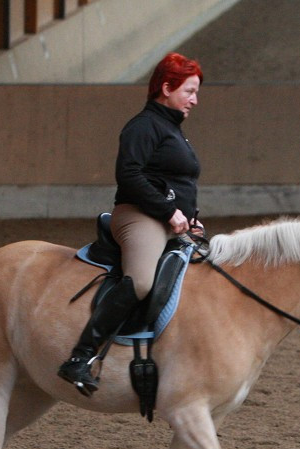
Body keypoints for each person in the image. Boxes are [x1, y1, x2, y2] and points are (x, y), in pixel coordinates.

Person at [58, 52, 204, 395]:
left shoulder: (172, 129)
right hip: (139, 216)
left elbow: (174, 182)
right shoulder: (143, 126)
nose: (195, 100)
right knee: (140, 281)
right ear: (166, 88)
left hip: (170, 221)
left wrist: (189, 216)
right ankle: (80, 357)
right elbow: (129, 174)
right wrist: (169, 211)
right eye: (190, 91)